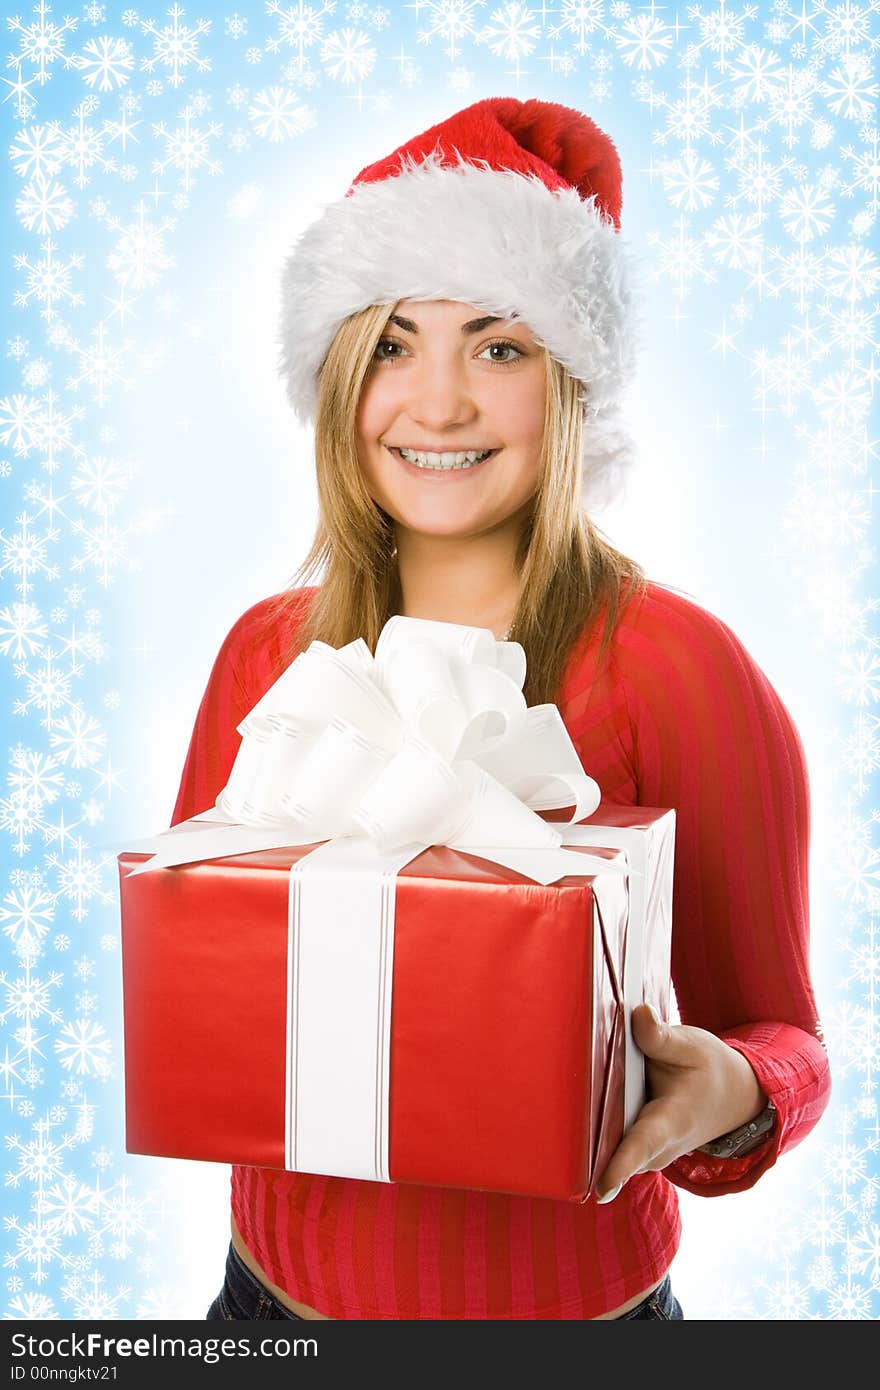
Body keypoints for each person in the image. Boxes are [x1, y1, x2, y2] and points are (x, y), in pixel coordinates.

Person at [170, 98, 831, 1321]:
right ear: (335, 377)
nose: (437, 405)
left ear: (570, 383)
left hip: (572, 1318)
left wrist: (730, 1086)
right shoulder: (263, 651)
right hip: (267, 1304)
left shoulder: (678, 665)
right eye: (390, 345)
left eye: (498, 346)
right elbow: (208, 943)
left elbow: (784, 1032)